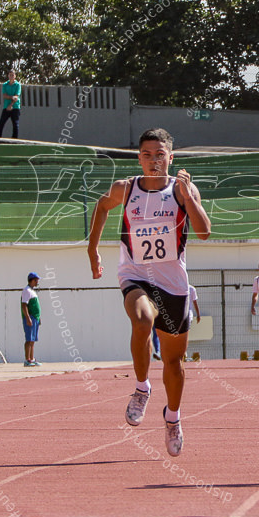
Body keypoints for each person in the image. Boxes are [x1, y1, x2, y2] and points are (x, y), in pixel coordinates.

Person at [87, 128, 210, 457]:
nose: (153, 161)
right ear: (138, 157)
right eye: (147, 155)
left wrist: (189, 195)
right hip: (135, 274)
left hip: (172, 284)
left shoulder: (181, 190)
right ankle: (141, 388)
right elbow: (101, 207)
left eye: (160, 155)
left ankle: (173, 417)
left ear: (171, 157)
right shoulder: (125, 189)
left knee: (174, 362)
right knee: (141, 319)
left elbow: (204, 232)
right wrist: (92, 251)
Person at [153, 285, 201, 361]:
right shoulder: (176, 286)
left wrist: (198, 314)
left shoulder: (191, 289)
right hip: (177, 315)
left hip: (188, 315)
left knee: (184, 333)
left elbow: (195, 302)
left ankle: (183, 353)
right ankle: (177, 353)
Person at [21, 272, 41, 366]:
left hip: (35, 318)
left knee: (33, 340)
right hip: (31, 317)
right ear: (32, 280)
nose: (37, 282)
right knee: (29, 339)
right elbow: (24, 305)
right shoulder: (27, 290)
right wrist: (28, 318)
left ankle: (32, 359)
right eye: (36, 280)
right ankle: (27, 359)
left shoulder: (32, 291)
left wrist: (38, 318)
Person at [0, 69, 22, 139]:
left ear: (15, 76)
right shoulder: (5, 85)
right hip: (6, 107)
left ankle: (14, 139)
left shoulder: (18, 85)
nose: (11, 76)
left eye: (12, 75)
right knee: (1, 123)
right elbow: (4, 96)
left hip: (15, 107)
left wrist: (11, 104)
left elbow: (16, 97)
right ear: (8, 76)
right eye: (10, 75)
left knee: (15, 124)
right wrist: (11, 97)